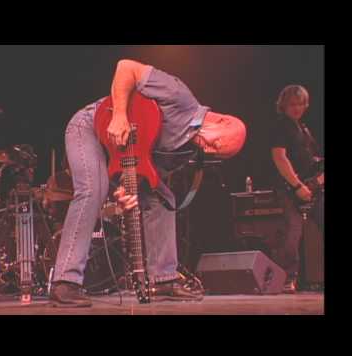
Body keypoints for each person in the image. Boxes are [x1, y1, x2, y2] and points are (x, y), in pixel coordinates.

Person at [50, 59, 246, 307]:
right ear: (221, 122)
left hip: (121, 155)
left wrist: (123, 189)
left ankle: (163, 280)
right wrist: (119, 115)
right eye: (216, 144)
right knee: (92, 190)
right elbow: (125, 67)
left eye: (216, 154)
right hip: (89, 128)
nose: (210, 150)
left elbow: (144, 169)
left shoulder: (187, 151)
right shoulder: (179, 96)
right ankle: (65, 283)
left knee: (163, 198)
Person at [270, 85, 324, 294]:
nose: (297, 108)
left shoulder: (303, 129)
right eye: (292, 104)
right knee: (293, 232)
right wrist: (297, 185)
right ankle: (287, 278)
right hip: (289, 189)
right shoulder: (281, 126)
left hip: (312, 187)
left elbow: (312, 161)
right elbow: (279, 157)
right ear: (283, 105)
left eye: (301, 104)